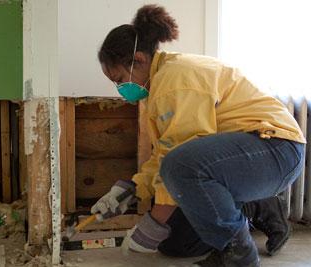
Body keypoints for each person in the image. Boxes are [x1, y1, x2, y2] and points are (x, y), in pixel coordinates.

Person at [90, 4, 306, 267]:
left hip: (275, 150)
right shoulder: (161, 83)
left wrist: (153, 224)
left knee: (179, 174)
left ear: (139, 60)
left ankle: (240, 251)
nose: (120, 88)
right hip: (249, 157)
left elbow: (181, 160)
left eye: (120, 79)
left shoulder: (174, 82)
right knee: (177, 242)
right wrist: (133, 188)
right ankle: (236, 230)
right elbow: (166, 153)